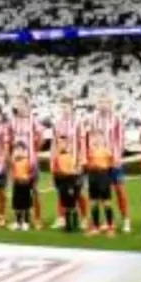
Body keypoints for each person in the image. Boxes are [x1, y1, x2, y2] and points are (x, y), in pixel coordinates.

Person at [89, 95, 130, 233]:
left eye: (106, 102)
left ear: (110, 104)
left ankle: (126, 219)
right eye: (100, 102)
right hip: (99, 161)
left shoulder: (117, 119)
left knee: (120, 190)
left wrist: (117, 157)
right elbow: (91, 139)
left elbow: (121, 139)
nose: (103, 104)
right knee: (102, 192)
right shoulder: (93, 119)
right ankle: (106, 222)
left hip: (113, 159)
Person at [51, 97, 88, 228]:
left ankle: (84, 218)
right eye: (62, 107)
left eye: (66, 107)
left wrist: (81, 162)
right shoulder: (57, 123)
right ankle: (61, 218)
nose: (64, 110)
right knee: (61, 191)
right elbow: (54, 144)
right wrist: (53, 161)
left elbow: (82, 143)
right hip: (61, 163)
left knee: (78, 192)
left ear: (72, 107)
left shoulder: (78, 123)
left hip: (74, 163)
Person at [9, 96, 45, 229]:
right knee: (18, 191)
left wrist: (34, 150)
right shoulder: (12, 122)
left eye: (21, 104)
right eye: (17, 104)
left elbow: (41, 138)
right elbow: (9, 140)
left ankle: (37, 218)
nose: (18, 107)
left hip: (31, 161)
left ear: (27, 106)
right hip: (17, 162)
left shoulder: (33, 121)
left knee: (34, 190)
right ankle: (20, 219)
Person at [85, 130, 116, 237]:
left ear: (103, 139)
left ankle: (110, 226)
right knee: (94, 202)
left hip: (103, 176)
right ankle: (96, 227)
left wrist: (108, 177)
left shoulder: (107, 151)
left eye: (99, 137)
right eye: (94, 138)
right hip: (92, 177)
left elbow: (112, 166)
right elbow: (86, 165)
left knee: (106, 202)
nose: (96, 140)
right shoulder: (88, 152)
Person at [51, 134, 81, 233]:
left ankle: (75, 224)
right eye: (59, 143)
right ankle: (68, 225)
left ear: (67, 144)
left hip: (70, 182)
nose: (61, 145)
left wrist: (73, 184)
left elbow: (73, 171)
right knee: (65, 203)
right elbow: (55, 171)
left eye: (63, 143)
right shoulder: (57, 157)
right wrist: (56, 182)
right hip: (62, 182)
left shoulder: (70, 156)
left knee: (72, 203)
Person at [10, 142, 35, 231]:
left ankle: (26, 222)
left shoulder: (28, 162)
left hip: (25, 185)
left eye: (21, 150)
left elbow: (32, 173)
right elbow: (12, 171)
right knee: (17, 204)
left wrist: (28, 179)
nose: (18, 152)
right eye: (17, 150)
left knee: (26, 204)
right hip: (17, 185)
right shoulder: (14, 161)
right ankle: (17, 222)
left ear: (25, 151)